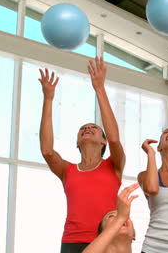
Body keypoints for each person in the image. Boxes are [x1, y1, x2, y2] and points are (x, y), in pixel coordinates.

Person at [39, 56, 125, 253]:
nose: (87, 128)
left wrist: (99, 88)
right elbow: (46, 150)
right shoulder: (67, 170)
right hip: (72, 242)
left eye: (94, 127)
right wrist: (48, 98)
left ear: (103, 141)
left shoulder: (114, 164)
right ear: (78, 142)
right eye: (83, 129)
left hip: (107, 239)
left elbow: (114, 139)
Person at [82, 183, 139, 253]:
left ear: (133, 235)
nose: (122, 219)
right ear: (102, 234)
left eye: (126, 217)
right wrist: (120, 218)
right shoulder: (121, 218)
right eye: (111, 216)